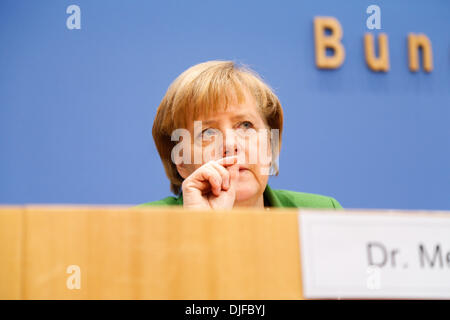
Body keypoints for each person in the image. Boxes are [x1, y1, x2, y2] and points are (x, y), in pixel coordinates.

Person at [137, 60, 342, 209]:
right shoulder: (142, 226)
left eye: (245, 125)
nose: (230, 144)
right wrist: (200, 229)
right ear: (180, 161)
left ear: (270, 145)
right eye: (207, 132)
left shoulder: (322, 213)